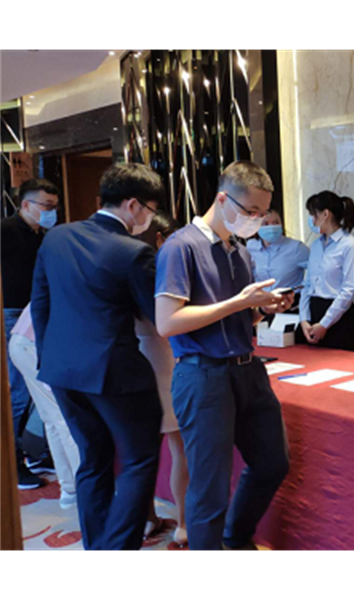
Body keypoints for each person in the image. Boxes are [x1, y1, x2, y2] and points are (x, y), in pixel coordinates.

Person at [155, 160, 292, 550]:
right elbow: (167, 322)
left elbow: (237, 316)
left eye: (262, 213)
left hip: (247, 369)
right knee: (210, 485)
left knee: (272, 462)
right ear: (222, 199)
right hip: (202, 374)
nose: (256, 220)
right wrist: (237, 303)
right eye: (251, 211)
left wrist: (262, 308)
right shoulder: (181, 246)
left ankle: (235, 537)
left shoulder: (239, 251)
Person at [30, 163, 165, 550]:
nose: (149, 218)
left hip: (61, 370)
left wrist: (49, 359)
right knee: (139, 460)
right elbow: (159, 319)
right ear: (134, 205)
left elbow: (40, 305)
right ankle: (116, 551)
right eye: (151, 210)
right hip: (116, 372)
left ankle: (97, 548)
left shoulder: (57, 237)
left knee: (92, 459)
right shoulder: (134, 252)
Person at [1, 178, 60, 489]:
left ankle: (34, 451)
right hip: (12, 315)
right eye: (46, 206)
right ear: (25, 204)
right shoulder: (6, 231)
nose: (51, 212)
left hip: (38, 315)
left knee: (41, 390)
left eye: (54, 207)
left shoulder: (45, 237)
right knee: (18, 392)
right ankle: (12, 464)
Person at [135, 212, 189, 546]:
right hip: (165, 358)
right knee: (179, 445)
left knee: (141, 450)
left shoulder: (126, 265)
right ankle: (183, 523)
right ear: (160, 240)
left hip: (135, 358)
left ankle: (147, 518)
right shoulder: (161, 272)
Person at [9, 304, 80, 509]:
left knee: (52, 418)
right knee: (65, 418)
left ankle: (70, 489)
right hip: (34, 345)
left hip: (24, 342)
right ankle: (84, 489)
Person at [299, 191, 354, 351]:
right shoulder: (316, 245)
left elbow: (348, 290)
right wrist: (304, 319)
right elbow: (307, 284)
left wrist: (325, 324)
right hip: (314, 311)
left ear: (325, 214)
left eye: (313, 214)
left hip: (338, 317)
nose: (312, 220)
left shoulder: (349, 245)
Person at [245, 208, 309, 313]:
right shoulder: (251, 246)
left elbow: (317, 272)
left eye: (276, 223)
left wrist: (304, 288)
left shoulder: (296, 247)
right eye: (265, 224)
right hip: (262, 305)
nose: (271, 227)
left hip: (289, 305)